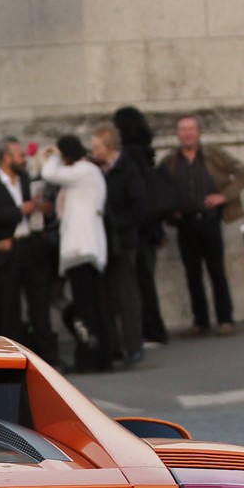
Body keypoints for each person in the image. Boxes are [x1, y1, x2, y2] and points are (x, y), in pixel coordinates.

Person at [160, 115, 244, 336]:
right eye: (183, 130)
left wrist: (224, 196)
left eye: (191, 129)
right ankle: (200, 321)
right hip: (185, 223)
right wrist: (170, 208)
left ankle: (225, 318)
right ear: (177, 134)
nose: (187, 134)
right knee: (192, 274)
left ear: (198, 132)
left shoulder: (213, 154)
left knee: (216, 271)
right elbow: (161, 187)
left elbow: (243, 172)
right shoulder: (170, 161)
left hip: (210, 220)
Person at [0, 137, 57, 361]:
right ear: (6, 158)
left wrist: (42, 209)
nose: (24, 159)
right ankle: (12, 358)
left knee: (39, 301)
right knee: (8, 305)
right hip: (7, 250)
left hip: (31, 246)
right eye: (20, 155)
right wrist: (19, 210)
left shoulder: (26, 180)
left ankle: (47, 355)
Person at [40, 135, 109, 372]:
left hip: (81, 248)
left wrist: (54, 155)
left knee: (85, 307)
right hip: (88, 248)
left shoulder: (82, 171)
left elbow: (49, 173)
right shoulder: (88, 171)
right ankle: (101, 356)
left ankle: (88, 357)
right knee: (94, 304)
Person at [90, 122, 147, 366]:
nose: (94, 152)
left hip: (122, 240)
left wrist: (117, 223)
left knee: (126, 294)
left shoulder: (127, 169)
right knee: (105, 295)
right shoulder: (95, 169)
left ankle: (133, 345)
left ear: (109, 147)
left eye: (97, 147)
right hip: (101, 241)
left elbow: (139, 206)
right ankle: (112, 345)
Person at [114, 106, 170, 345]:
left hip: (140, 229)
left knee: (140, 282)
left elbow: (137, 195)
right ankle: (152, 329)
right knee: (145, 279)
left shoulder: (130, 155)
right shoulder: (144, 151)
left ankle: (151, 330)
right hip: (149, 228)